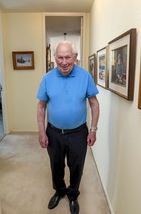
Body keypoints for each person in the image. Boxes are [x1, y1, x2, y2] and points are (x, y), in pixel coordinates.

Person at [36, 41, 100, 214]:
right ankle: (59, 191)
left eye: (68, 57)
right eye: (60, 58)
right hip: (54, 132)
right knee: (56, 165)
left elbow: (94, 104)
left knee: (76, 166)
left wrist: (93, 129)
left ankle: (73, 195)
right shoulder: (48, 78)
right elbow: (41, 106)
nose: (64, 62)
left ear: (75, 57)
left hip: (78, 133)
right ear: (55, 58)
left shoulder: (85, 76)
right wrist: (42, 131)